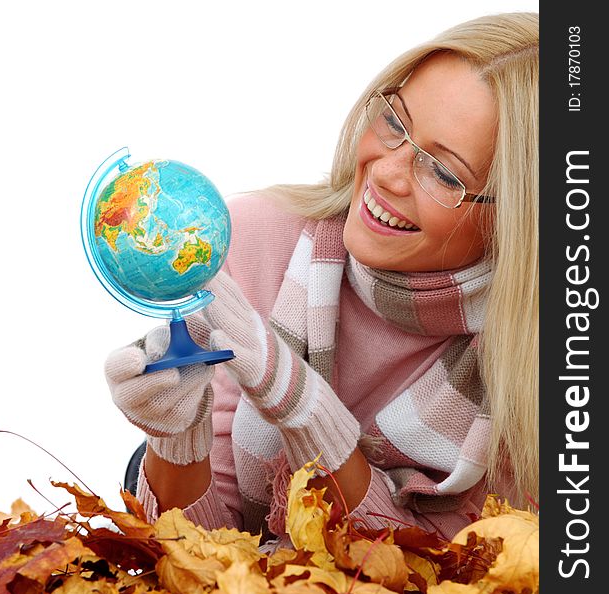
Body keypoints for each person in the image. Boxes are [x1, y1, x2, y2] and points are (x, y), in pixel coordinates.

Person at [105, 12, 539, 542]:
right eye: (396, 123)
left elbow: (429, 574)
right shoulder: (260, 242)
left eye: (443, 171)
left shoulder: (534, 369)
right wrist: (174, 439)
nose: (385, 171)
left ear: (518, 219)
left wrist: (301, 405)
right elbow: (199, 557)